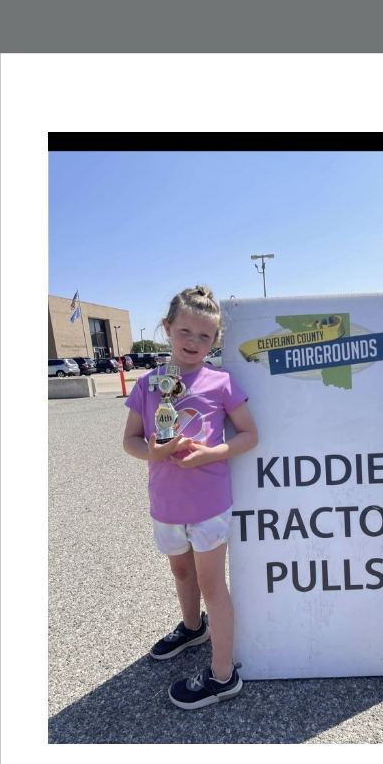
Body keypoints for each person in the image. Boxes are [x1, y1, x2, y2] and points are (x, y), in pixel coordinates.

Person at [123, 285, 259, 709]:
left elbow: (250, 435)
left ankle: (222, 675)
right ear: (166, 328)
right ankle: (191, 627)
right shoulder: (147, 385)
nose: (194, 342)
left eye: (205, 336)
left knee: (211, 584)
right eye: (185, 331)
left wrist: (210, 453)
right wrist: (154, 452)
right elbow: (130, 440)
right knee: (182, 575)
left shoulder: (221, 382)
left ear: (215, 339)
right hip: (165, 503)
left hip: (208, 505)